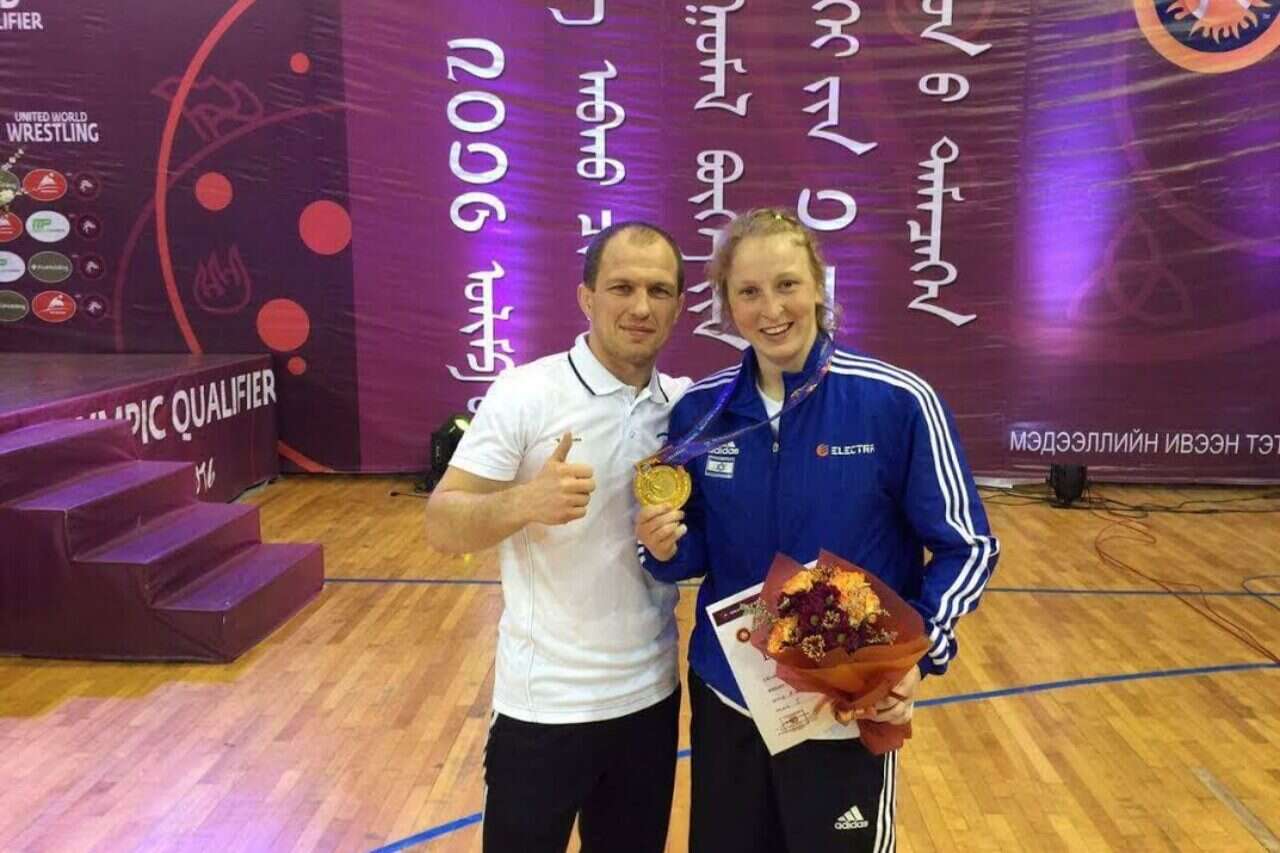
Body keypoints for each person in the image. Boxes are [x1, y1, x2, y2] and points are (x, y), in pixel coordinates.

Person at [636, 207, 999, 853]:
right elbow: (694, 549)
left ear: (819, 287)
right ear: (727, 304)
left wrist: (914, 657)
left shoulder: (896, 400)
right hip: (731, 692)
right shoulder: (702, 411)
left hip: (843, 697)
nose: (771, 309)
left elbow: (966, 546)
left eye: (787, 285)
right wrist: (663, 547)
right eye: (749, 292)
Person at [424, 221, 691, 853]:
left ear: (679, 307)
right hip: (544, 704)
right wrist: (525, 502)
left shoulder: (683, 407)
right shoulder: (527, 393)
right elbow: (441, 522)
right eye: (622, 287)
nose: (641, 306)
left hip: (651, 697)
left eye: (659, 290)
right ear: (586, 297)